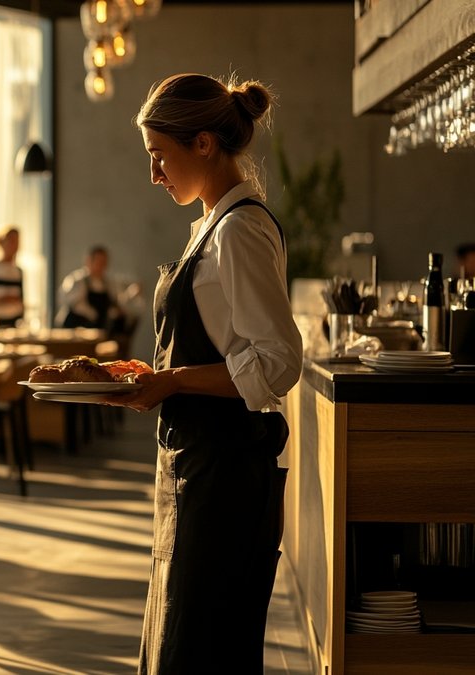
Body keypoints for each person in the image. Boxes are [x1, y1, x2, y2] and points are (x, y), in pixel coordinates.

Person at [115, 73, 303, 674]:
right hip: (196, 463)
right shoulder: (212, 226)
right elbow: (226, 349)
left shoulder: (241, 229)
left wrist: (174, 381)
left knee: (202, 649)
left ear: (203, 144)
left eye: (159, 156)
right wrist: (160, 375)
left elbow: (278, 361)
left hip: (226, 474)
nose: (153, 174)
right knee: (182, 637)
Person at [56, 245, 138, 331]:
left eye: (104, 262)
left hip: (97, 331)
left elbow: (115, 303)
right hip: (74, 331)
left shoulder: (108, 283)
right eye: (99, 262)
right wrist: (91, 314)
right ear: (89, 261)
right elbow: (66, 301)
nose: (102, 266)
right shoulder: (77, 280)